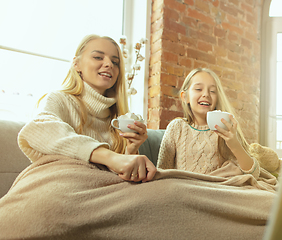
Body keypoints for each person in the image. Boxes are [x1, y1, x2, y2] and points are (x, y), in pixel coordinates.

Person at [17, 34, 156, 182]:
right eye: (98, 57)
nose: (109, 64)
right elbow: (37, 130)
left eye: (115, 62)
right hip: (61, 186)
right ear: (76, 64)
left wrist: (131, 150)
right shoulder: (59, 99)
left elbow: (118, 182)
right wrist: (110, 157)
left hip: (103, 191)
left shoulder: (118, 118)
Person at [157, 68, 260, 178]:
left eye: (212, 91)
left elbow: (254, 174)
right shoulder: (176, 128)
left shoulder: (226, 129)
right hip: (185, 190)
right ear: (185, 97)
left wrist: (235, 145)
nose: (206, 94)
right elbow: (161, 174)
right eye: (198, 89)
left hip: (216, 191)